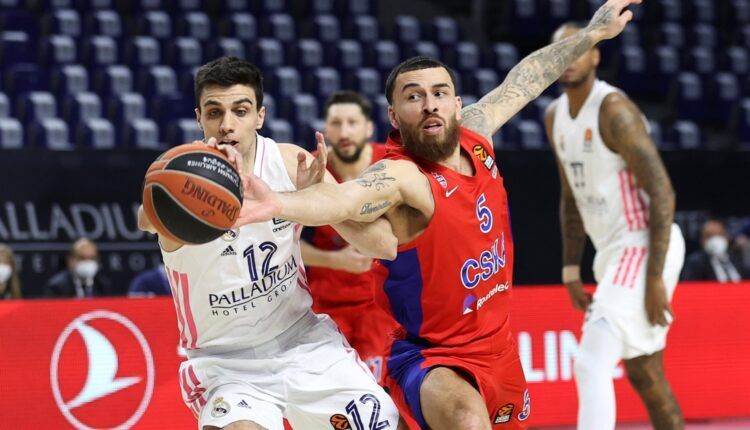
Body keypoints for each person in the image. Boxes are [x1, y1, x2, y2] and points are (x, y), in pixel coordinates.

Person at [235, 1, 639, 428]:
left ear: (457, 104)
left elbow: (529, 77)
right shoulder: (402, 174)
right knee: (467, 421)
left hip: (499, 352)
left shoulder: (477, 134)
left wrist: (592, 33)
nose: (429, 104)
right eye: (413, 96)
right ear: (393, 115)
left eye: (439, 93)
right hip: (432, 357)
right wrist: (279, 203)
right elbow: (347, 200)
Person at [137, 56, 401, 430]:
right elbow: (146, 219)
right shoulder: (181, 175)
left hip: (305, 343)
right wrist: (192, 194)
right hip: (227, 364)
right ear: (199, 118)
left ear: (259, 116)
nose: (227, 125)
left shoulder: (290, 162)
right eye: (215, 113)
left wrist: (317, 201)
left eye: (239, 111)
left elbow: (381, 245)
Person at [545, 20, 686, 430]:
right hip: (613, 254)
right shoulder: (555, 117)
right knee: (645, 375)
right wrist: (571, 269)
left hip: (643, 242)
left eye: (578, 48)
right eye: (560, 51)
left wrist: (655, 276)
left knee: (590, 361)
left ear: (595, 55)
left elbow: (663, 192)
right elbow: (570, 197)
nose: (568, 58)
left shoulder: (613, 110)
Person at [300, 91, 399, 384]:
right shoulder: (311, 173)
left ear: (368, 128)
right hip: (328, 307)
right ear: (326, 129)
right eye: (336, 123)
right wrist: (335, 259)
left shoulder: (394, 165)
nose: (344, 132)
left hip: (383, 305)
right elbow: (286, 244)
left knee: (384, 396)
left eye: (353, 123)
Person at [681, 219, 749, 282]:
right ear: (701, 240)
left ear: (727, 237)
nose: (716, 239)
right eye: (709, 236)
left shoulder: (738, 258)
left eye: (720, 234)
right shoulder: (695, 262)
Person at [44, 238, 114, 298]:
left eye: (92, 258)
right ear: (71, 260)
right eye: (82, 258)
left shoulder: (102, 285)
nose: (87, 262)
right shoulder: (57, 286)